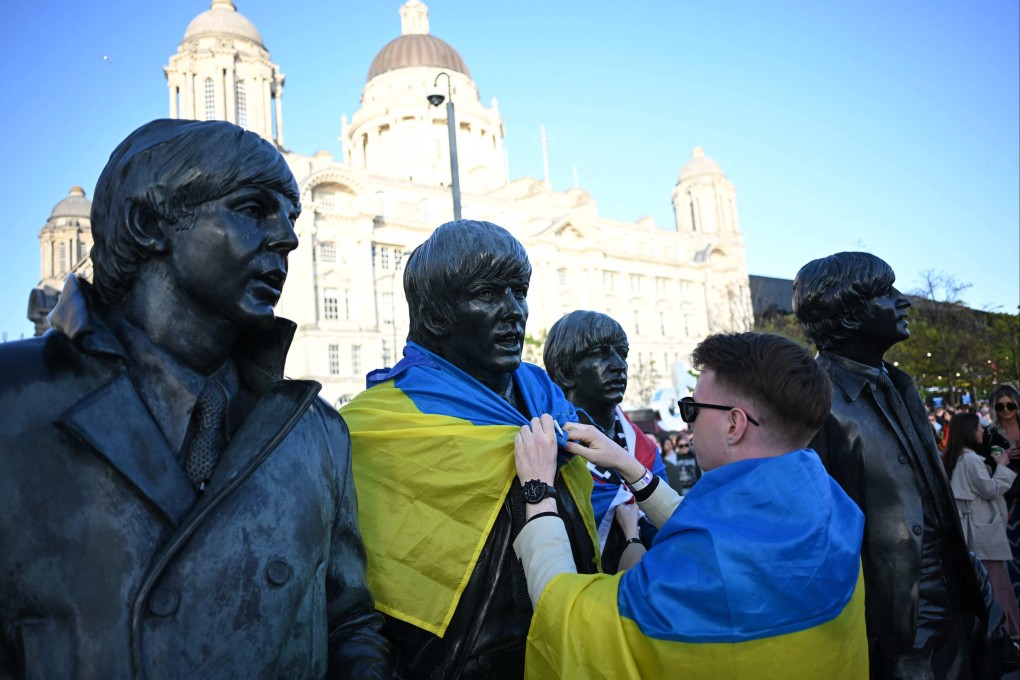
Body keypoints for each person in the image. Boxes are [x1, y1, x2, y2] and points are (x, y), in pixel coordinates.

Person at [0, 120, 390, 677]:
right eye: (253, 209)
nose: (288, 238)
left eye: (290, 216)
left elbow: (349, 622)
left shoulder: (318, 434)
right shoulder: (15, 398)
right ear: (150, 223)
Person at [512, 332, 868, 679]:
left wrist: (538, 491)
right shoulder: (832, 508)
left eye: (692, 408)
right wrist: (629, 465)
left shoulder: (697, 581)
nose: (689, 422)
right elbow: (726, 533)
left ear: (734, 424)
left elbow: (566, 615)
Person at [340, 220, 599, 679]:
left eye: (518, 291)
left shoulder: (552, 406)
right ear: (437, 314)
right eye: (487, 293)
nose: (513, 310)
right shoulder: (368, 430)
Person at [794, 251, 989, 678]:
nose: (903, 301)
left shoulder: (901, 385)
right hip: (891, 619)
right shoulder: (816, 402)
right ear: (848, 312)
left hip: (952, 597)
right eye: (885, 291)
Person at [542, 310, 665, 573]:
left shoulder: (646, 452)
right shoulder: (543, 447)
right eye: (600, 353)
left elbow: (669, 538)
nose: (619, 364)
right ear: (565, 371)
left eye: (622, 352)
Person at [944, 413, 1020, 639]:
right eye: (978, 428)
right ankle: (1004, 633)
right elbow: (991, 489)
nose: (982, 432)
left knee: (995, 582)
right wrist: (1003, 466)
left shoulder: (955, 458)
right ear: (968, 431)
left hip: (975, 529)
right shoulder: (970, 460)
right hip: (982, 531)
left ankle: (1008, 630)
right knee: (996, 583)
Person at [981, 384, 1020, 601]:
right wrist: (1003, 458)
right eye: (1000, 406)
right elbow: (985, 467)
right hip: (1009, 499)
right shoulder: (990, 435)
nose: (1006, 409)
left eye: (1010, 405)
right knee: (1015, 557)